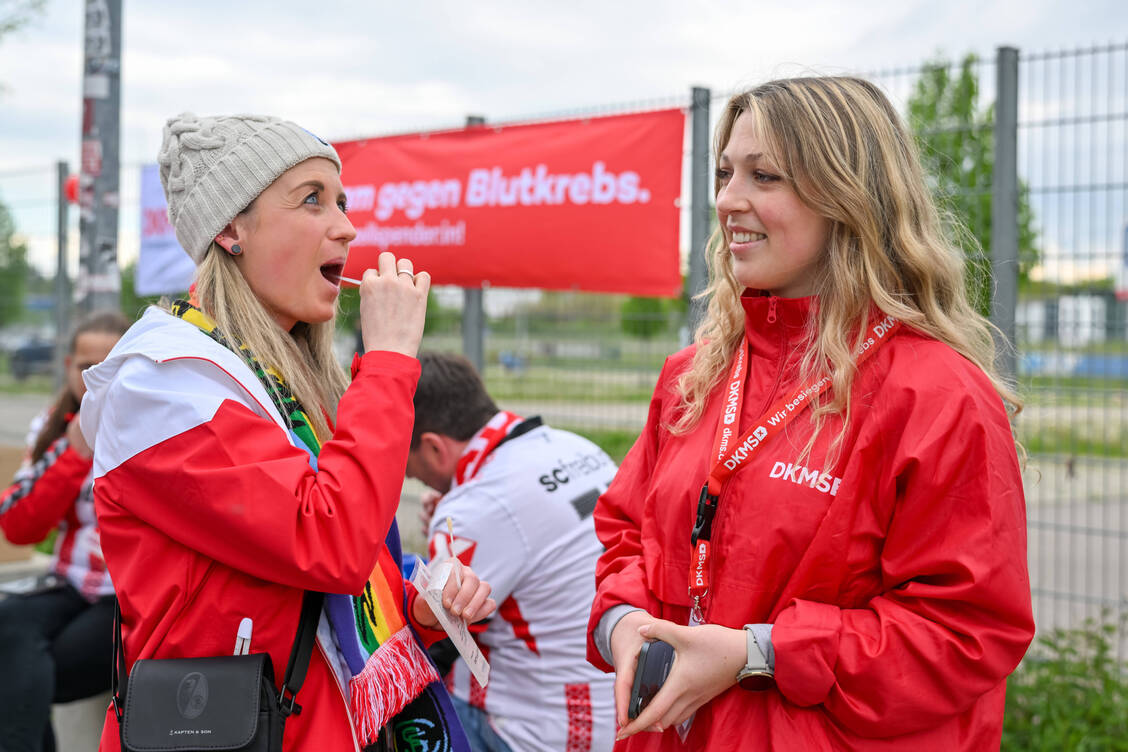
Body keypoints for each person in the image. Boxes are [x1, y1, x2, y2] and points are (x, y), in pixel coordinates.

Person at [587, 77, 1035, 750]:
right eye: (725, 173)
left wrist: (758, 655)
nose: (727, 199)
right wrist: (623, 625)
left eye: (764, 176)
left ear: (847, 198)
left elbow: (966, 631)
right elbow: (626, 533)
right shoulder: (692, 376)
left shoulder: (938, 396)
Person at [79, 113, 494, 752]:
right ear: (231, 230)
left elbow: (314, 579)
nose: (346, 227)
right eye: (311, 200)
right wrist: (388, 363)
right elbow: (329, 541)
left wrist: (414, 603)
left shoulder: (274, 378)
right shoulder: (164, 385)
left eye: (342, 202)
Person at [408, 351, 617, 752]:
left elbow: (432, 641)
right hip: (622, 705)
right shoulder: (573, 445)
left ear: (434, 448)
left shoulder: (474, 507)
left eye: (415, 472)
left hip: (543, 730)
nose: (425, 484)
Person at [0, 310, 130, 752]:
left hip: (127, 597)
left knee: (19, 675)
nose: (96, 379)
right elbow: (19, 526)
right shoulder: (52, 424)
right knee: (7, 624)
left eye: (110, 366)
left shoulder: (151, 422)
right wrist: (73, 453)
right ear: (69, 366)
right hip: (69, 584)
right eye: (86, 367)